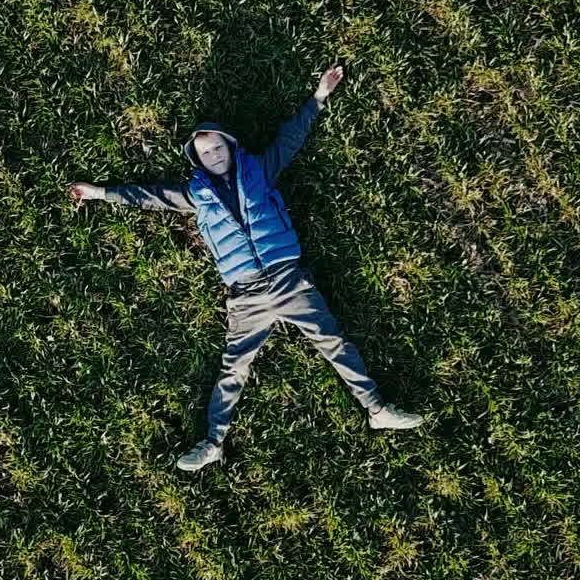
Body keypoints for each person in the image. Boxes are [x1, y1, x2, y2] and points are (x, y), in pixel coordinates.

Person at [68, 63, 425, 470]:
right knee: (233, 368)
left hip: (290, 281)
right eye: (205, 153)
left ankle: (377, 410)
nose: (213, 154)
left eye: (217, 147)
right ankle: (213, 442)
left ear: (231, 145)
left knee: (335, 343)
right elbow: (149, 196)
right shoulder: (194, 195)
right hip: (246, 296)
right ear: (197, 160)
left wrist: (319, 97)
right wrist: (98, 193)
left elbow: (291, 139)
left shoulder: (260, 171)